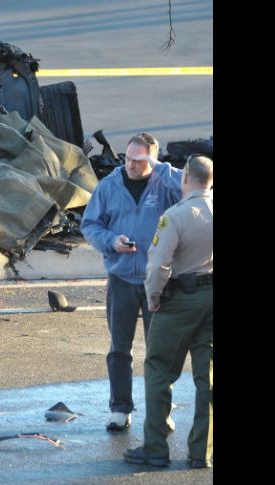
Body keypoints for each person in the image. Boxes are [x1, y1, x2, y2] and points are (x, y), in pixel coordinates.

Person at [80, 132, 183, 431]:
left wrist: (160, 168)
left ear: (152, 159)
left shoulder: (166, 182)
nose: (132, 165)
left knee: (160, 350)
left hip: (158, 279)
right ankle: (120, 409)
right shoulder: (109, 185)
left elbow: (195, 189)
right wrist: (112, 241)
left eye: (139, 160)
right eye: (128, 159)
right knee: (119, 348)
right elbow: (90, 225)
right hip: (121, 278)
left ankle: (160, 410)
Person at [124, 155, 213, 468]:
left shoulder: (175, 215)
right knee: (209, 378)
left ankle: (156, 447)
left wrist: (153, 296)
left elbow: (159, 262)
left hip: (179, 299)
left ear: (186, 176)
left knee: (160, 369)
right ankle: (202, 452)